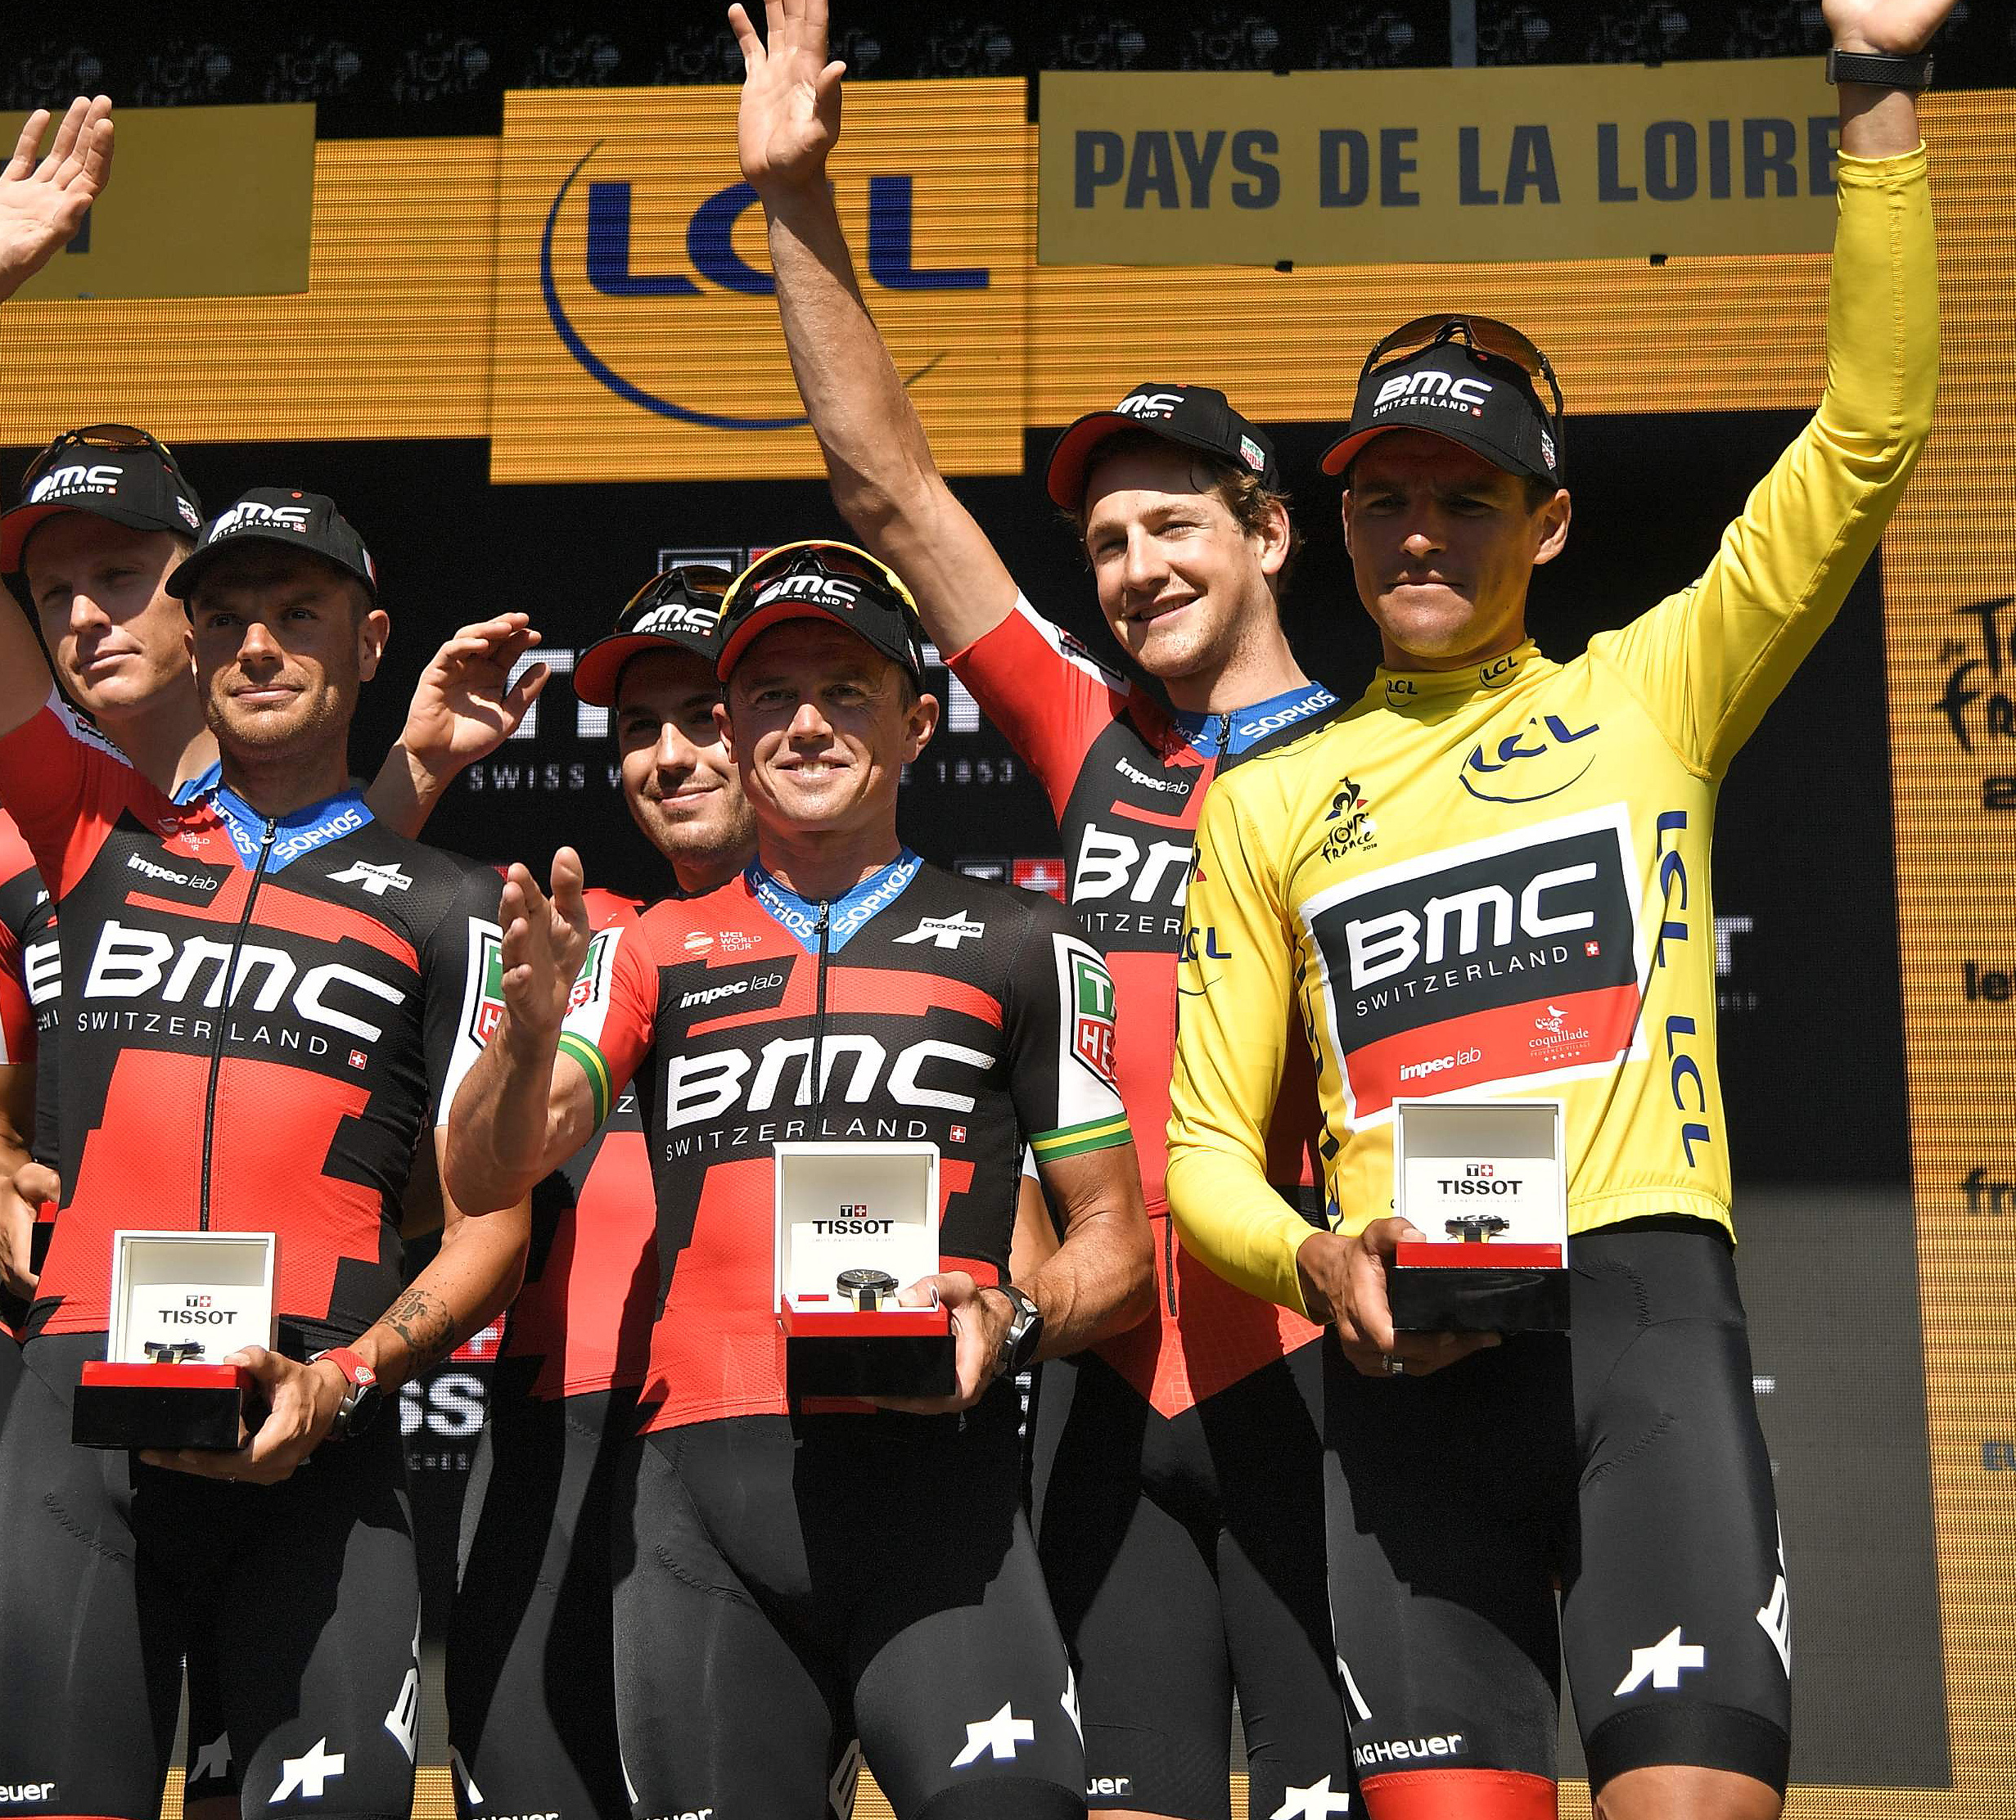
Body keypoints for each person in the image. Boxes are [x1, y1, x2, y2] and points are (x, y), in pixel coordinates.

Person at [1163, 10, 1946, 1817]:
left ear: (1551, 523)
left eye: (1468, 498)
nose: (1419, 533)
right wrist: (1316, 1261)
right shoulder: (1266, 799)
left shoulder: (1650, 693)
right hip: (1404, 1372)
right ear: (1335, 526)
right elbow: (1203, 1146)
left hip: (1643, 1326)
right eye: (1384, 499)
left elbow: (1870, 432)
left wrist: (1878, 96)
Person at [734, 7, 1356, 1813]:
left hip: (1316, 1366)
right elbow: (891, 491)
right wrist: (793, 202)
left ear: (1267, 534)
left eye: (1175, 526)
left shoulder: (1386, 759)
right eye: (1106, 544)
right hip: (1095, 1380)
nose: (1138, 568)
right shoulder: (1097, 742)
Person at [0, 99, 531, 1820]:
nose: (256, 644)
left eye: (297, 614)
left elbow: (489, 1226)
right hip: (74, 1426)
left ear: (367, 639)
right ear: (191, 639)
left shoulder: (445, 902)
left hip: (318, 1420)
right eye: (229, 616)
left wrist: (346, 1375)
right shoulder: (84, 831)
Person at [445, 540, 1154, 1819]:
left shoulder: (1026, 941)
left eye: (845, 691)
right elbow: (494, 1164)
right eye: (772, 696)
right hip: (699, 1516)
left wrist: (1017, 1317)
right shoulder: (650, 949)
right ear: (735, 728)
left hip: (938, 1499)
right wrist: (525, 1042)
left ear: (917, 722)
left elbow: (1115, 1242)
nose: (807, 725)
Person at [443, 565, 756, 1818]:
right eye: (638, 728)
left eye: (703, 718)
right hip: (556, 1443)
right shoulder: (577, 943)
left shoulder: (901, 959)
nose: (668, 757)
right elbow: (475, 1179)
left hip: (769, 1438)